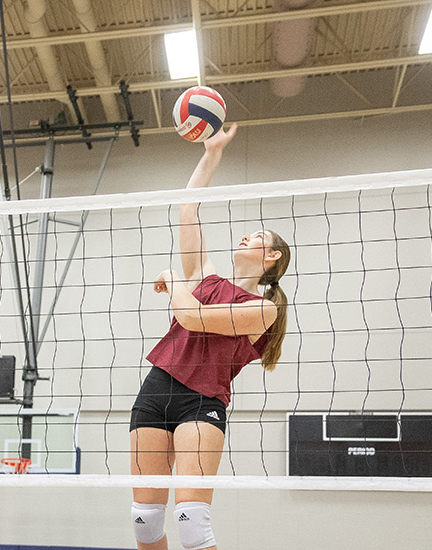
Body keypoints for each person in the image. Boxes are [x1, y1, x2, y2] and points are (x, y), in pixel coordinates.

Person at [128, 125, 291, 550]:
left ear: (272, 257)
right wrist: (212, 154)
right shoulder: (206, 276)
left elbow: (193, 316)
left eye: (258, 237)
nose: (246, 236)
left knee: (191, 522)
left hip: (202, 401)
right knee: (145, 521)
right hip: (156, 389)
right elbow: (188, 209)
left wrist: (171, 277)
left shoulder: (264, 309)